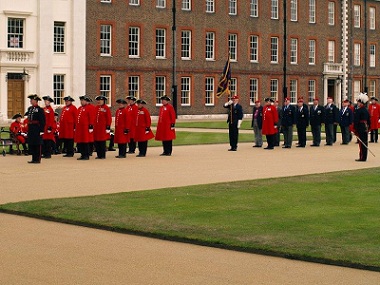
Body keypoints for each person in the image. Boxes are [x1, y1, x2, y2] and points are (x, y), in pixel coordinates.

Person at [25, 94, 46, 163]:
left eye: (32, 100)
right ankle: (33, 158)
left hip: (37, 128)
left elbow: (42, 120)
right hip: (31, 128)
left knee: (37, 144)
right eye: (31, 100)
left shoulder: (40, 110)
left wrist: (41, 130)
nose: (31, 101)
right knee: (32, 143)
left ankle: (37, 159)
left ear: (36, 101)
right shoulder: (30, 109)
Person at [75, 96, 95, 160]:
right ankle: (82, 154)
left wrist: (91, 126)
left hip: (85, 128)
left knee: (85, 142)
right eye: (81, 101)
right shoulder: (80, 108)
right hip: (80, 128)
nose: (82, 102)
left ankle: (86, 155)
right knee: (80, 142)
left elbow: (91, 117)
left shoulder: (89, 108)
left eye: (83, 100)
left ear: (86, 101)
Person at [353, 93, 371, 161]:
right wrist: (369, 127)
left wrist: (355, 129)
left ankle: (362, 157)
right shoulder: (366, 110)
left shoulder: (359, 110)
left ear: (361, 103)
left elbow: (356, 120)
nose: (357, 103)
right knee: (365, 142)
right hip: (365, 127)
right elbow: (369, 120)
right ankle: (364, 156)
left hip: (360, 127)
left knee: (361, 143)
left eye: (358, 102)